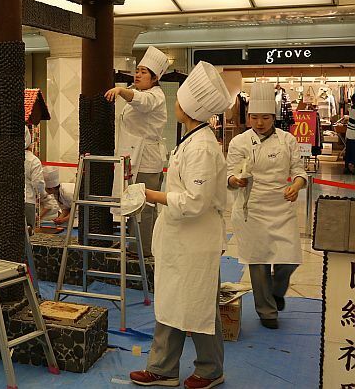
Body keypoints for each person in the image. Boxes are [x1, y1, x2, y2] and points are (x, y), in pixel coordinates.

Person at [130, 61, 232, 389]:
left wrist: (150, 195)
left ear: (186, 108)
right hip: (179, 238)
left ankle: (210, 369)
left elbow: (194, 201)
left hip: (196, 239)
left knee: (200, 305)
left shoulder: (201, 146)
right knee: (171, 300)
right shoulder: (190, 140)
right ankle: (162, 368)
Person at [227, 81, 307, 329]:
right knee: (259, 262)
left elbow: (299, 171)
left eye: (265, 117)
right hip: (251, 208)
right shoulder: (239, 142)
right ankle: (267, 312)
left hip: (281, 206)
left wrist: (296, 185)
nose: (259, 123)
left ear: (274, 117)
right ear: (248, 117)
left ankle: (276, 290)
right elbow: (229, 175)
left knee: (290, 257)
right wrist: (235, 180)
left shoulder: (287, 140)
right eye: (254, 117)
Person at [104, 46, 169, 258]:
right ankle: (134, 247)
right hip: (133, 157)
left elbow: (143, 103)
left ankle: (145, 251)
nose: (138, 74)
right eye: (138, 70)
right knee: (134, 203)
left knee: (146, 207)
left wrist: (122, 91)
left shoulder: (155, 95)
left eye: (143, 72)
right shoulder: (139, 91)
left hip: (148, 160)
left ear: (155, 77)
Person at [24, 127, 59, 229]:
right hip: (27, 201)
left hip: (5, 201)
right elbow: (38, 183)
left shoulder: (4, 157)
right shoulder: (32, 160)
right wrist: (44, 196)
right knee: (26, 233)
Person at [344, 93, 355, 175]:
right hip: (353, 134)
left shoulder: (351, 109)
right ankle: (351, 166)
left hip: (350, 133)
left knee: (349, 151)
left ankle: (348, 166)